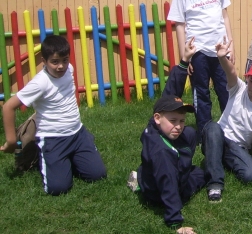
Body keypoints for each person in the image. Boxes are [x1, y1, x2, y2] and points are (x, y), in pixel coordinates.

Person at [1, 35, 106, 195]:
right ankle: (44, 155)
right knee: (58, 188)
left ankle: (75, 154)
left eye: (65, 60)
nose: (61, 66)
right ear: (44, 61)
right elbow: (8, 106)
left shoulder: (69, 69)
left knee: (97, 175)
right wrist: (11, 141)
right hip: (53, 139)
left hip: (78, 134)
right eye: (55, 62)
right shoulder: (40, 83)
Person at [167, 0, 234, 138]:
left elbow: (224, 15)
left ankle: (231, 129)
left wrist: (231, 44)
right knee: (201, 93)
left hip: (220, 50)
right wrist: (185, 56)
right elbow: (180, 24)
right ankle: (205, 132)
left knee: (226, 89)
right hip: (198, 52)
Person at [201, 39, 252, 202]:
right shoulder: (239, 88)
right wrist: (222, 57)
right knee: (212, 127)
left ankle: (216, 158)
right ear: (247, 78)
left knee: (251, 175)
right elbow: (231, 72)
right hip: (220, 136)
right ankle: (215, 185)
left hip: (238, 147)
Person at [132, 93, 204, 232]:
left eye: (182, 121)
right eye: (173, 120)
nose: (178, 126)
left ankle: (140, 179)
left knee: (189, 132)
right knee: (200, 174)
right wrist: (175, 223)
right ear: (157, 118)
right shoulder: (162, 153)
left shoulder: (152, 128)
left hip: (149, 175)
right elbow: (168, 183)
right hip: (159, 192)